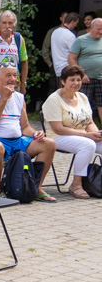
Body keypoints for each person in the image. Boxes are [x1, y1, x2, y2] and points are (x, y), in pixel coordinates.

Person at [0, 63, 57, 201]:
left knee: (48, 144)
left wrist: (35, 133)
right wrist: (4, 98)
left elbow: (25, 127)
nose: (12, 79)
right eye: (8, 75)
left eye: (14, 75)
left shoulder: (19, 97)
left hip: (17, 140)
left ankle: (35, 187)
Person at [42, 64, 102, 198]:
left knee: (94, 142)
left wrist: (96, 134)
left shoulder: (82, 97)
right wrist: (88, 135)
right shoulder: (53, 100)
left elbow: (89, 122)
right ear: (63, 81)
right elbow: (58, 128)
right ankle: (76, 184)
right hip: (58, 137)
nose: (76, 83)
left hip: (83, 135)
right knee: (88, 145)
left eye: (78, 80)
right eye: (72, 80)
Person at [67, 18, 102, 122]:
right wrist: (81, 74)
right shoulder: (81, 40)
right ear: (91, 28)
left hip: (101, 78)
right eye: (98, 29)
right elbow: (70, 58)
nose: (101, 32)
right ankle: (85, 128)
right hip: (86, 78)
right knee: (84, 105)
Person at [51, 12, 79, 79]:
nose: (76, 26)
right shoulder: (70, 35)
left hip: (57, 69)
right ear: (72, 21)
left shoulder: (55, 32)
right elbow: (75, 53)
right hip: (68, 69)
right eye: (76, 23)